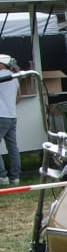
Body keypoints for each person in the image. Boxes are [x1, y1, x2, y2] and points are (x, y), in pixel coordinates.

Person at [0, 54, 20, 186]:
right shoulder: (14, 77)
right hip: (12, 115)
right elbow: (19, 96)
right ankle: (15, 177)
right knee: (13, 148)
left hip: (1, 115)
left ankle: (2, 176)